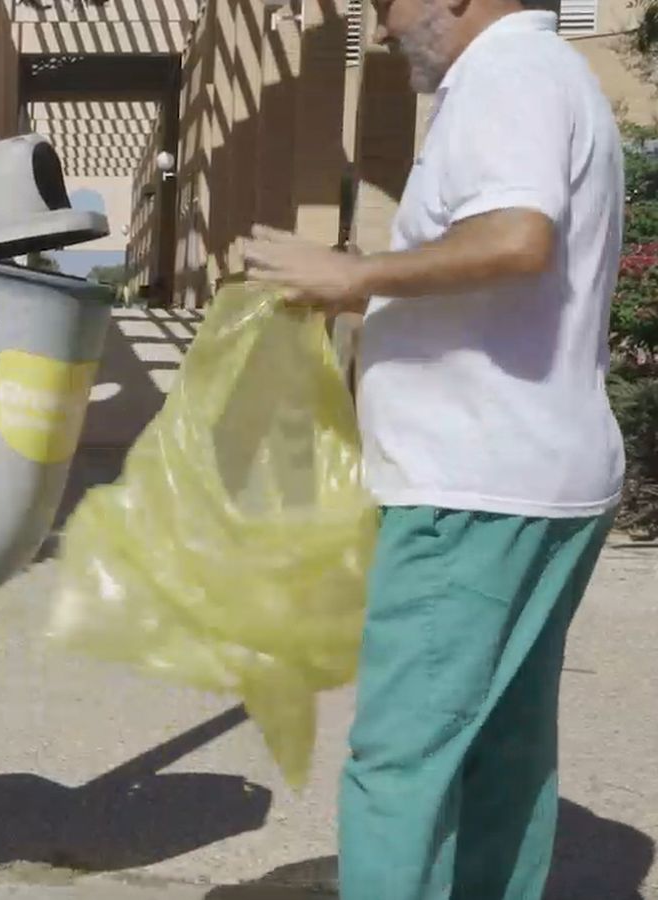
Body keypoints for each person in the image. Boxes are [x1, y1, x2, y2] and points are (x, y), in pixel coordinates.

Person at [242, 0, 626, 897]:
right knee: (502, 751)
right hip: (537, 476)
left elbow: (514, 237)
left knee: (402, 763)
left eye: (384, 5)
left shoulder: (506, 76)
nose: (377, 30)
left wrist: (357, 274)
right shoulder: (548, 76)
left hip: (474, 486)